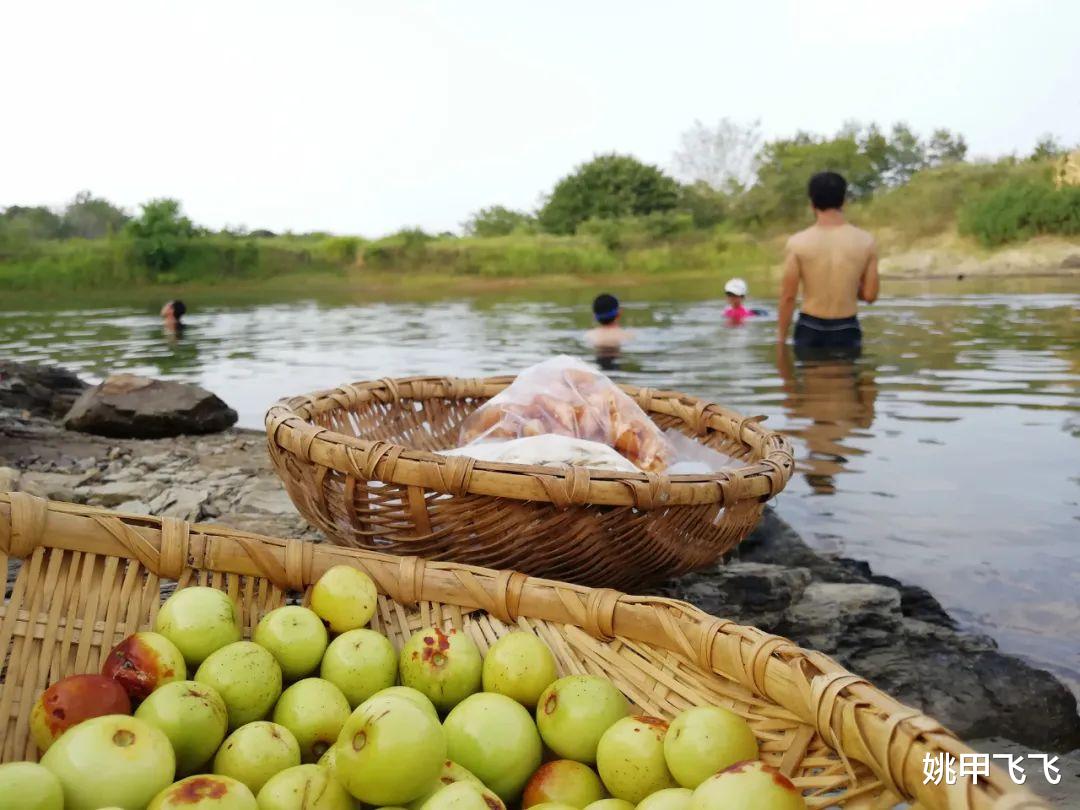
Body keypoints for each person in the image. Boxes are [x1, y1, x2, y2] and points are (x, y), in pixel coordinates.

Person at [777, 172, 879, 358]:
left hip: (810, 327)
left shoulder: (798, 243)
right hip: (846, 327)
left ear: (812, 203)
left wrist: (781, 341)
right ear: (844, 201)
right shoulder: (866, 242)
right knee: (846, 385)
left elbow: (788, 297)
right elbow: (870, 296)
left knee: (812, 385)